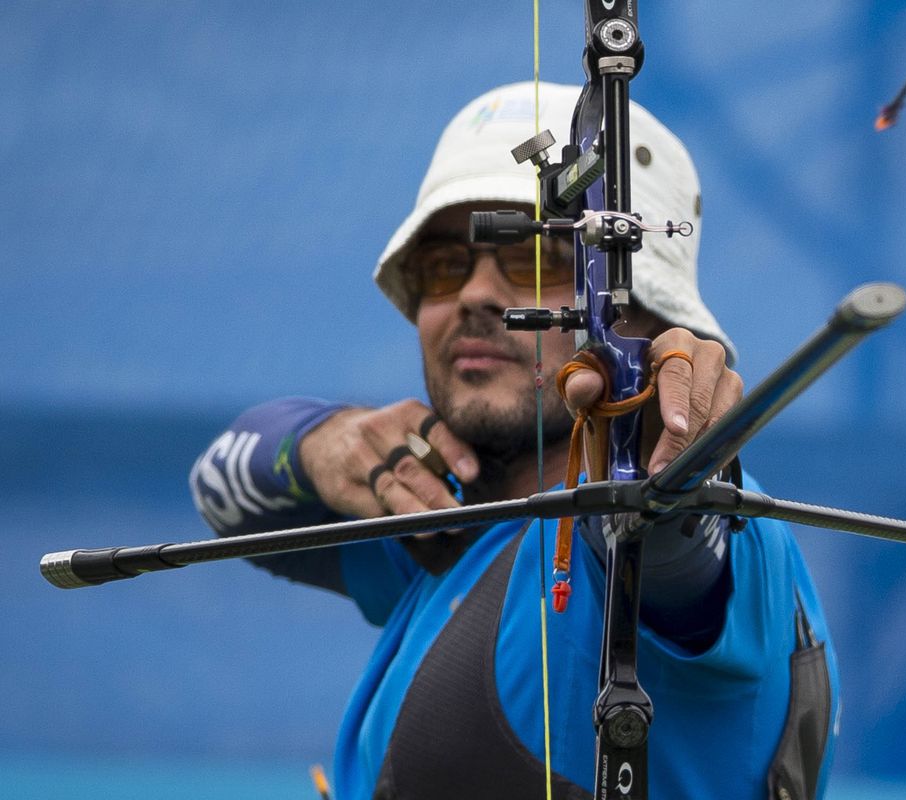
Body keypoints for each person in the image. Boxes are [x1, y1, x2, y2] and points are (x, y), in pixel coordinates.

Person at [188, 81, 837, 800]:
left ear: (643, 316)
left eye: (537, 258)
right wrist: (322, 443)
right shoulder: (444, 522)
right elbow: (223, 490)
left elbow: (673, 548)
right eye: (444, 266)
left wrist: (671, 468)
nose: (474, 294)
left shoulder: (713, 545)